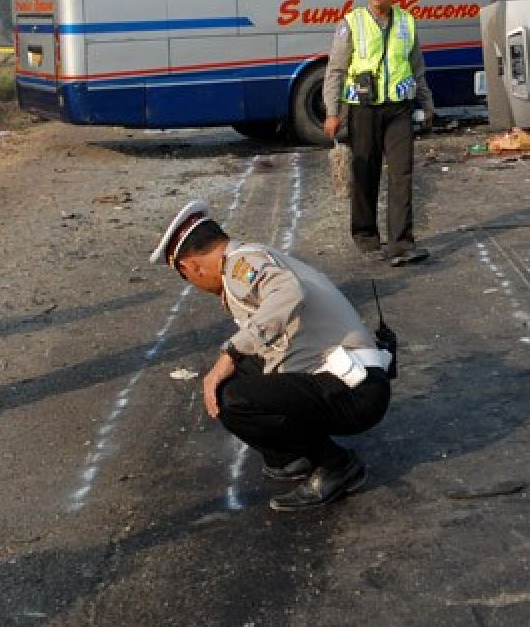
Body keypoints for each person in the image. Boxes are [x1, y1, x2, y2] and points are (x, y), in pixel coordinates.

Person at [151, 200, 392, 511]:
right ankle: (292, 455)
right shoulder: (247, 260)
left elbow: (288, 293)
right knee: (240, 376)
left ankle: (336, 465)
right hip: (352, 379)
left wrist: (230, 352)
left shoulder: (241, 267)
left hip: (357, 391)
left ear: (190, 267)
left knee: (232, 398)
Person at [322, 0, 434, 267]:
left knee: (402, 174)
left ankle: (401, 244)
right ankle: (366, 237)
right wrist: (332, 112)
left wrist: (427, 102)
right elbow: (336, 70)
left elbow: (416, 68)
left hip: (399, 109)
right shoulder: (351, 23)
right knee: (365, 173)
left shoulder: (407, 23)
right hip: (363, 109)